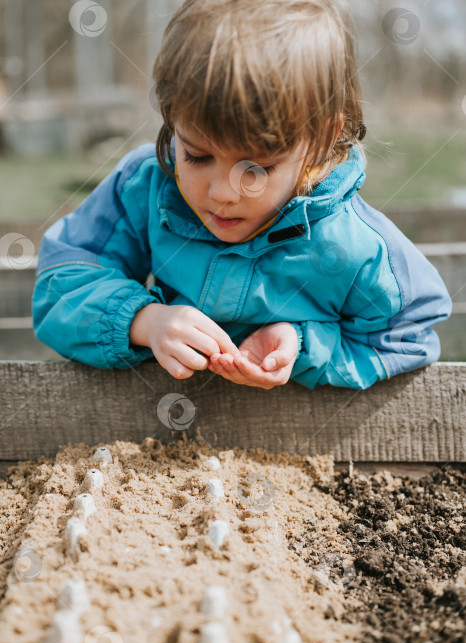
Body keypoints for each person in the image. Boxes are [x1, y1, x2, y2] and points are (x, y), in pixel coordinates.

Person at [32, 0, 452, 391]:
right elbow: (60, 285)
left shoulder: (355, 244)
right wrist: (145, 320)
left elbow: (409, 337)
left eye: (257, 168)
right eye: (197, 155)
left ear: (321, 139)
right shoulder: (145, 188)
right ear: (172, 119)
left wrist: (304, 344)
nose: (221, 194)